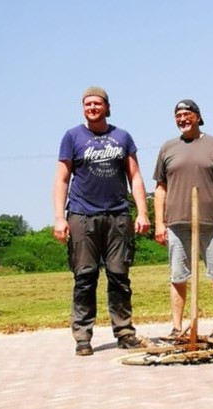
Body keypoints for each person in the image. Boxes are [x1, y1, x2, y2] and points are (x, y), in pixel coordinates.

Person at [53, 86, 151, 356]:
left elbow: (135, 176)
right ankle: (83, 337)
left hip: (118, 215)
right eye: (87, 104)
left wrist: (142, 212)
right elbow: (62, 179)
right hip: (82, 216)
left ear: (107, 107)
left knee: (119, 277)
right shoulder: (72, 137)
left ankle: (125, 332)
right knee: (85, 277)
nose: (92, 108)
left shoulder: (122, 137)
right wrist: (59, 217)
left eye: (97, 103)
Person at [152, 99, 213, 340]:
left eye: (187, 114)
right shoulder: (168, 148)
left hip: (211, 222)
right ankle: (177, 329)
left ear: (198, 117)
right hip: (177, 222)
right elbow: (160, 188)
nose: (183, 119)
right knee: (177, 276)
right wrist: (159, 223)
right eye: (178, 116)